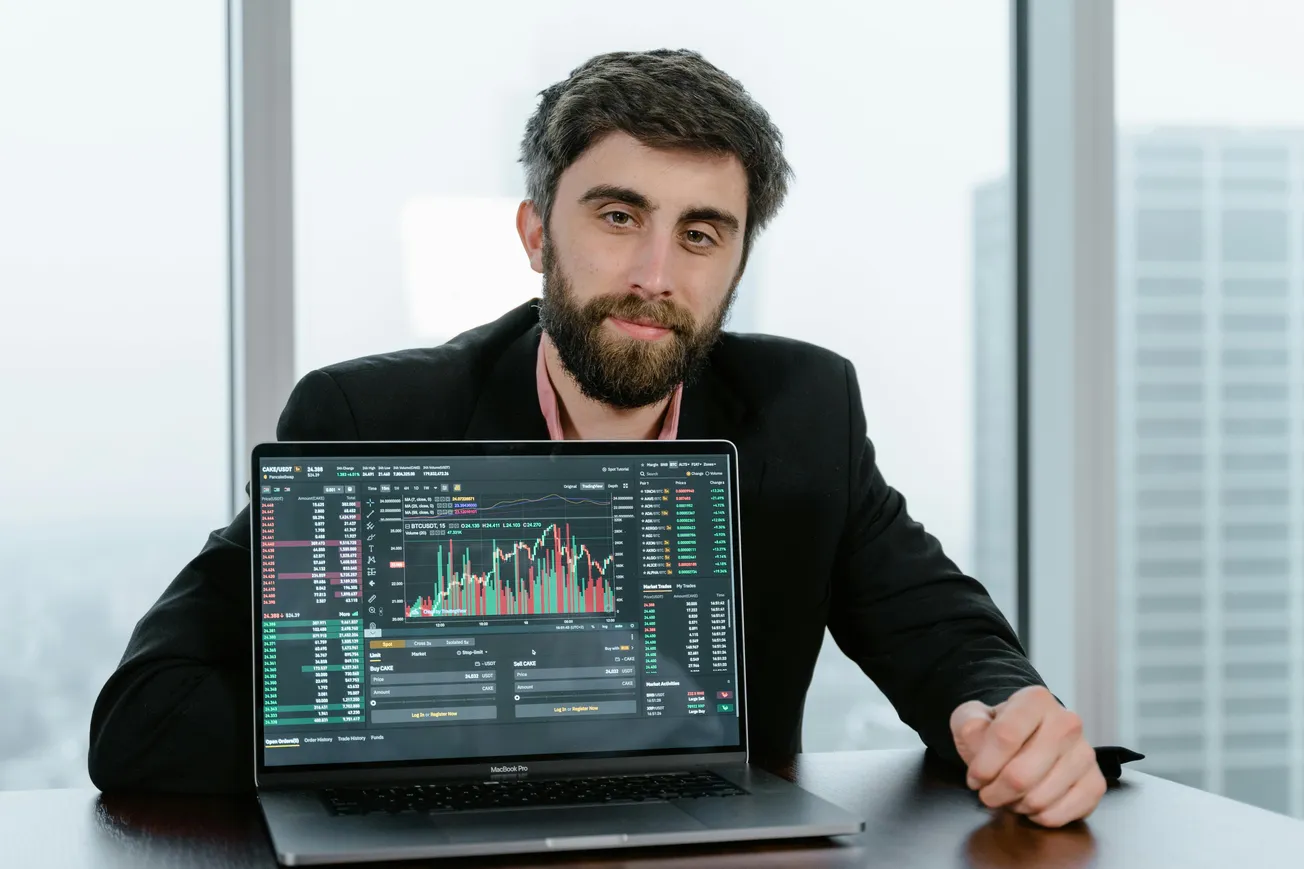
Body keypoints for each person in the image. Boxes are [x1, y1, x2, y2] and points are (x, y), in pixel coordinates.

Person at [89, 48, 1110, 828]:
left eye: (700, 232)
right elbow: (143, 717)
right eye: (618, 215)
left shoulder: (804, 411)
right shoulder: (370, 420)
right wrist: (482, 724)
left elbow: (946, 639)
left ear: (737, 257)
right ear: (537, 234)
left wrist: (1010, 713)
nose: (656, 273)